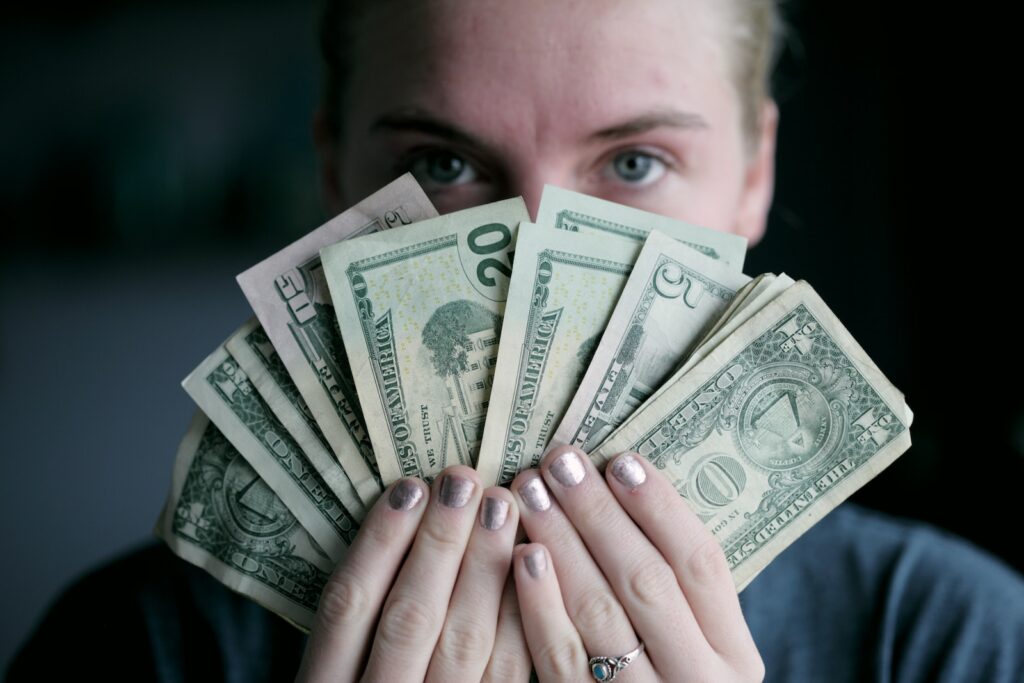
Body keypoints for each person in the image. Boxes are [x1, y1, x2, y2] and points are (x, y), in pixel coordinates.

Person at [9, 0, 1024, 681]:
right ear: (331, 169)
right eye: (444, 160)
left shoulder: (958, 638)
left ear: (755, 174)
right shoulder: (132, 647)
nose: (534, 248)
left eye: (633, 161)